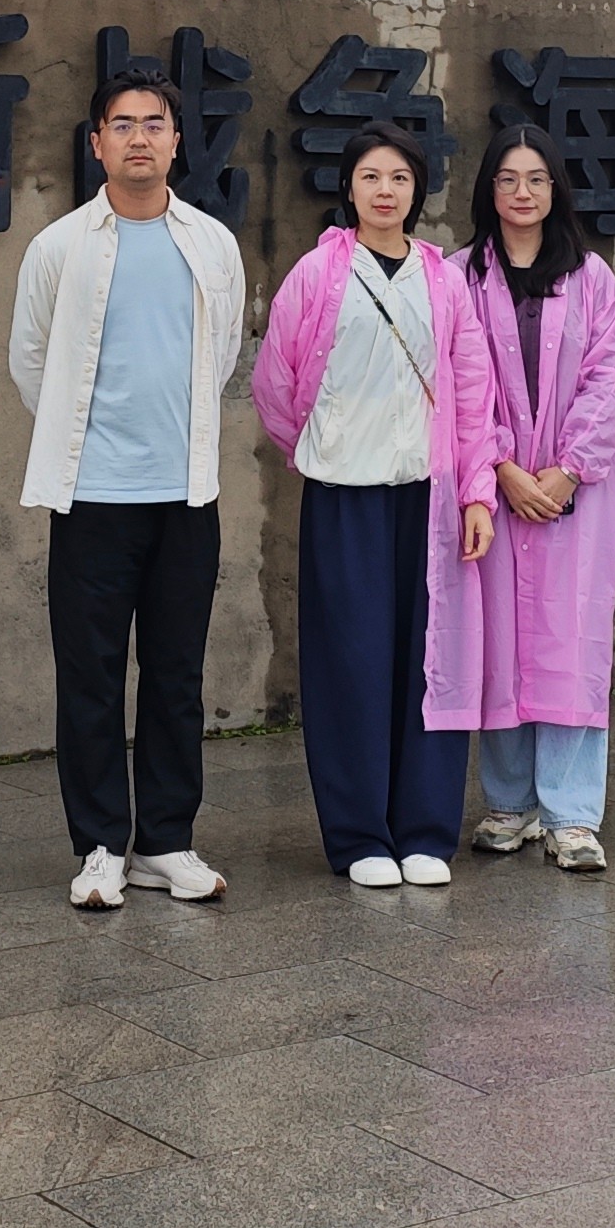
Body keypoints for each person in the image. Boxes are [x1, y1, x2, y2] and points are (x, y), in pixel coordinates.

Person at [9, 61, 253, 911]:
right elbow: (31, 361)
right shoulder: (59, 247)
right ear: (97, 144)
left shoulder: (212, 244)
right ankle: (101, 847)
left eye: (154, 124)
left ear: (177, 142)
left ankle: (166, 842)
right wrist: (86, 444)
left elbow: (225, 351)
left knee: (177, 676)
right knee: (91, 677)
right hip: (93, 499)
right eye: (123, 125)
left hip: (185, 497)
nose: (139, 138)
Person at [251, 120, 496, 886]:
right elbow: (276, 381)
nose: (385, 191)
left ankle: (425, 829)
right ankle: (359, 836)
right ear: (349, 187)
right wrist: (320, 447)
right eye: (371, 177)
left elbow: (473, 392)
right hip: (344, 497)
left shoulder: (443, 279)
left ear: (417, 190)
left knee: (430, 661)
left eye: (399, 177)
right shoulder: (318, 274)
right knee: (351, 664)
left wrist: (477, 494)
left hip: (430, 497)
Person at [438, 128, 615, 870]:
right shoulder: (458, 275)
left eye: (537, 179)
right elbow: (456, 383)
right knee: (498, 640)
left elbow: (608, 376)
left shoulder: (591, 277)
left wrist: (568, 469)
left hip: (574, 491)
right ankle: (509, 802)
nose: (523, 193)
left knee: (571, 640)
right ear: (488, 189)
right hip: (490, 488)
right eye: (508, 179)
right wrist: (503, 469)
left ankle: (573, 814)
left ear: (557, 189)